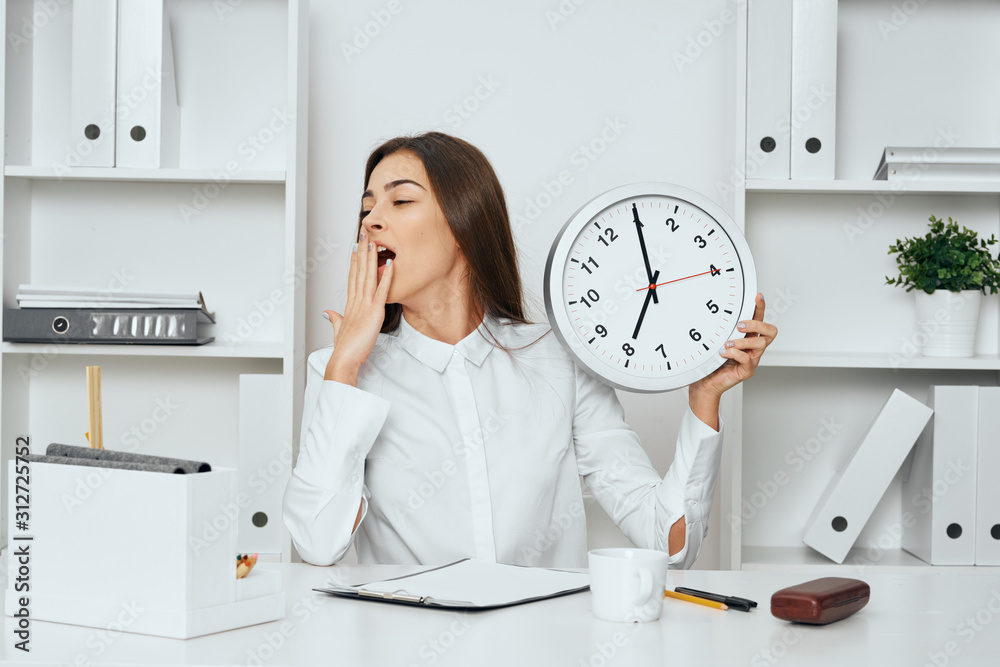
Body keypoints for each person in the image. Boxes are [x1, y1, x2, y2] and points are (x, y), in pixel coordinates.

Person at [282, 132, 776, 569]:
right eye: (366, 207)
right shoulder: (340, 373)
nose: (371, 221)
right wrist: (345, 366)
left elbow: (669, 545)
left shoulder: (561, 360)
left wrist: (704, 397)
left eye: (401, 201)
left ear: (464, 222)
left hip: (541, 635)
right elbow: (317, 545)